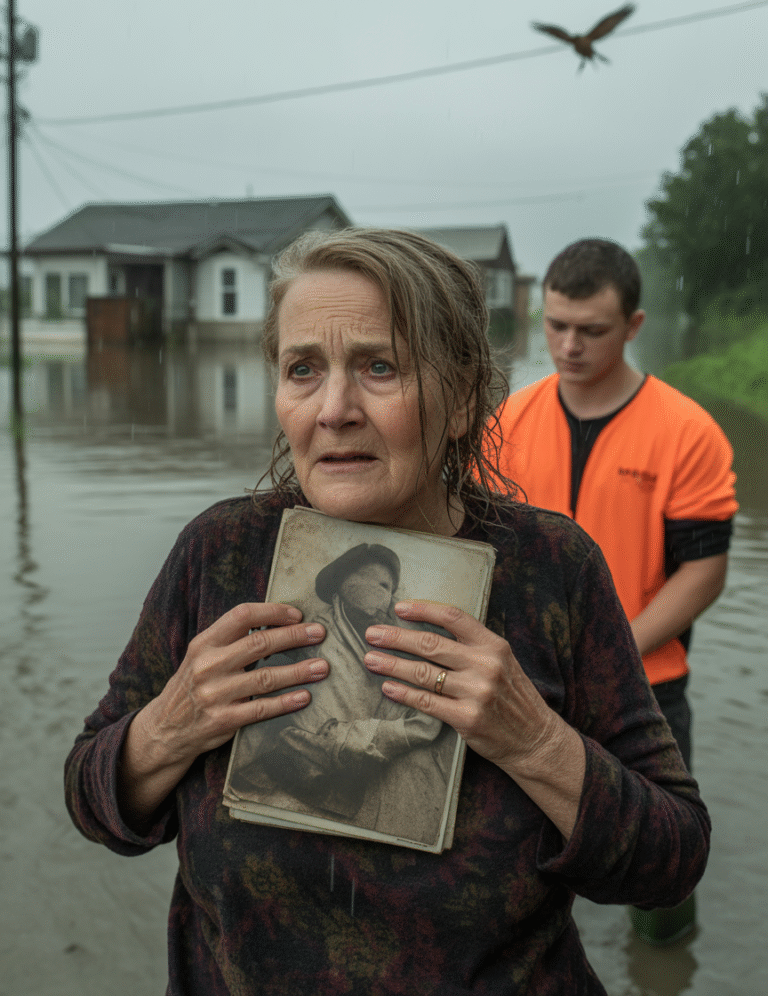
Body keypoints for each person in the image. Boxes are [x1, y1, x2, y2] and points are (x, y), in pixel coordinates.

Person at [65, 227, 710, 995]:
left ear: (463, 397)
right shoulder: (222, 556)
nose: (334, 409)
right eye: (303, 369)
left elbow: (670, 862)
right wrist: (171, 727)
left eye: (380, 367)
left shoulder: (550, 569)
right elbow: (93, 804)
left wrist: (535, 741)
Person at [493, 238, 737, 941]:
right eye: (556, 326)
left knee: (662, 870)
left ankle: (665, 962)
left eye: (591, 330)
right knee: (511, 868)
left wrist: (611, 649)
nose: (569, 346)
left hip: (645, 690)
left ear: (633, 325)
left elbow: (705, 571)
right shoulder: (506, 423)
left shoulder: (687, 432)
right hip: (527, 686)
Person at [227, 543, 456, 844]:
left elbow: (422, 720)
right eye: (382, 585)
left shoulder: (396, 642)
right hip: (293, 779)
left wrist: (360, 735)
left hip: (361, 789)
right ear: (347, 585)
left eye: (391, 589)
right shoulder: (311, 637)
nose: (389, 598)